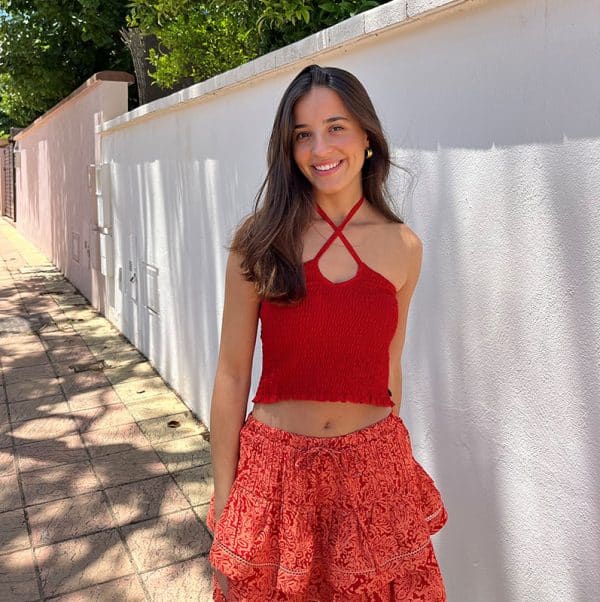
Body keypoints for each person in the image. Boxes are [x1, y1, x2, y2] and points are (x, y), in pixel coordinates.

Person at [206, 64, 448, 601]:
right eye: (303, 134)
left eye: (336, 127)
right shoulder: (261, 239)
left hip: (373, 474)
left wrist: (387, 466)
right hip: (276, 476)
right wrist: (224, 498)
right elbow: (231, 374)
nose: (320, 148)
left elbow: (390, 366)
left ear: (366, 137)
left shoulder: (404, 246)